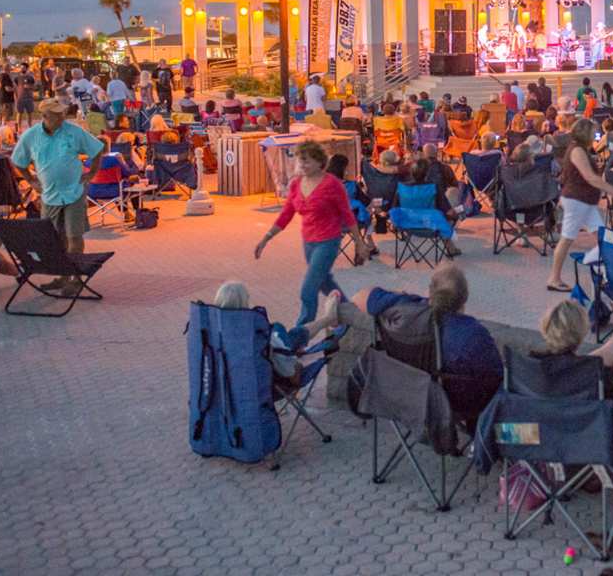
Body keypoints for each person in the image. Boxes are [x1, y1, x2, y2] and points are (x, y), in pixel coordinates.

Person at [350, 265, 502, 429]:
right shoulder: (473, 334)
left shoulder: (405, 309)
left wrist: (397, 295)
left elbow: (359, 297)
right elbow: (496, 378)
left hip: (407, 397)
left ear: (430, 291)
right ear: (465, 297)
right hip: (453, 407)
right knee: (521, 419)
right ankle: (498, 445)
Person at [254, 140, 368, 326]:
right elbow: (286, 215)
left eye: (306, 161)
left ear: (319, 162)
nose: (302, 165)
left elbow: (347, 215)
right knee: (325, 283)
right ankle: (354, 318)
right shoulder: (296, 185)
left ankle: (300, 335)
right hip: (308, 242)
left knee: (308, 290)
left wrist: (360, 243)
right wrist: (266, 239)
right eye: (300, 161)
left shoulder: (332, 184)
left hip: (328, 241)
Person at [11, 99, 104, 293]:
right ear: (45, 117)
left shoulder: (73, 131)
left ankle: (75, 279)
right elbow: (18, 160)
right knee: (54, 239)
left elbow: (97, 149)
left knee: (74, 236)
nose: (62, 116)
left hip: (74, 192)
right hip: (50, 196)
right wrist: (30, 180)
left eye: (62, 113)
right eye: (57, 114)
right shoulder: (31, 136)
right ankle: (63, 276)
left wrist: (91, 173)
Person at [533, 301, 613, 426]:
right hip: (581, 439)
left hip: (535, 435)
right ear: (582, 332)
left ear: (545, 328)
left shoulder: (527, 364)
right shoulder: (593, 375)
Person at [547, 118, 613, 292]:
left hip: (585, 201)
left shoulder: (581, 149)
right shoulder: (577, 151)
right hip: (577, 201)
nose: (595, 135)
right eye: (593, 132)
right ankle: (554, 278)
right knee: (567, 239)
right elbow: (589, 176)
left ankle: (603, 267)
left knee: (602, 236)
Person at [213, 281, 341, 384]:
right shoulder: (255, 335)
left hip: (231, 387)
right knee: (282, 333)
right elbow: (288, 370)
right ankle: (329, 318)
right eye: (247, 299)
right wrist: (295, 367)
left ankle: (327, 320)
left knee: (278, 330)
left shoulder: (213, 334)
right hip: (268, 382)